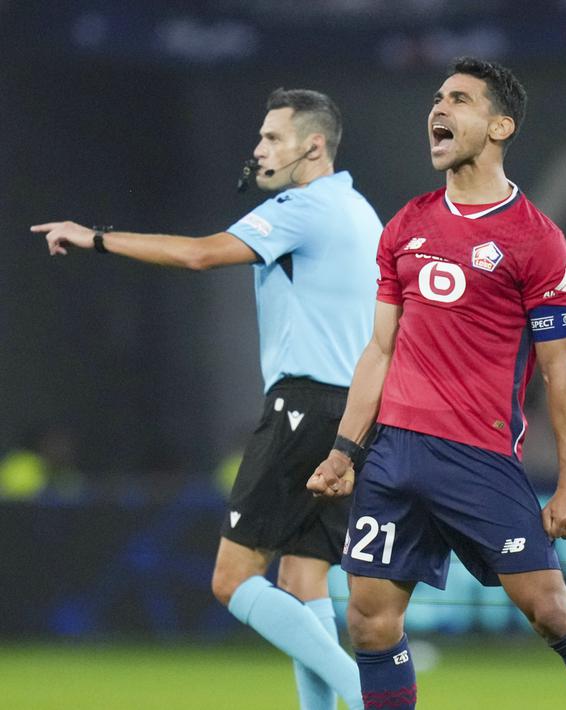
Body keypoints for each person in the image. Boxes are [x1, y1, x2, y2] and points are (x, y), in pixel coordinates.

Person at [308, 57, 566, 709]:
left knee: (548, 609)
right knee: (369, 620)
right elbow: (379, 348)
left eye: (457, 99)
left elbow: (560, 369)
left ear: (499, 126)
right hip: (392, 453)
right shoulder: (405, 226)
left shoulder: (535, 240)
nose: (437, 108)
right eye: (436, 98)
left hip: (475, 455)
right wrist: (344, 450)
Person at [34, 88, 375, 710]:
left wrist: (97, 238)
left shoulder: (304, 208)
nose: (259, 149)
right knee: (303, 581)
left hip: (304, 408)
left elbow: (198, 255)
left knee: (232, 580)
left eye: (273, 137)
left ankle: (375, 699)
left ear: (314, 145)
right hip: (352, 416)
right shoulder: (360, 213)